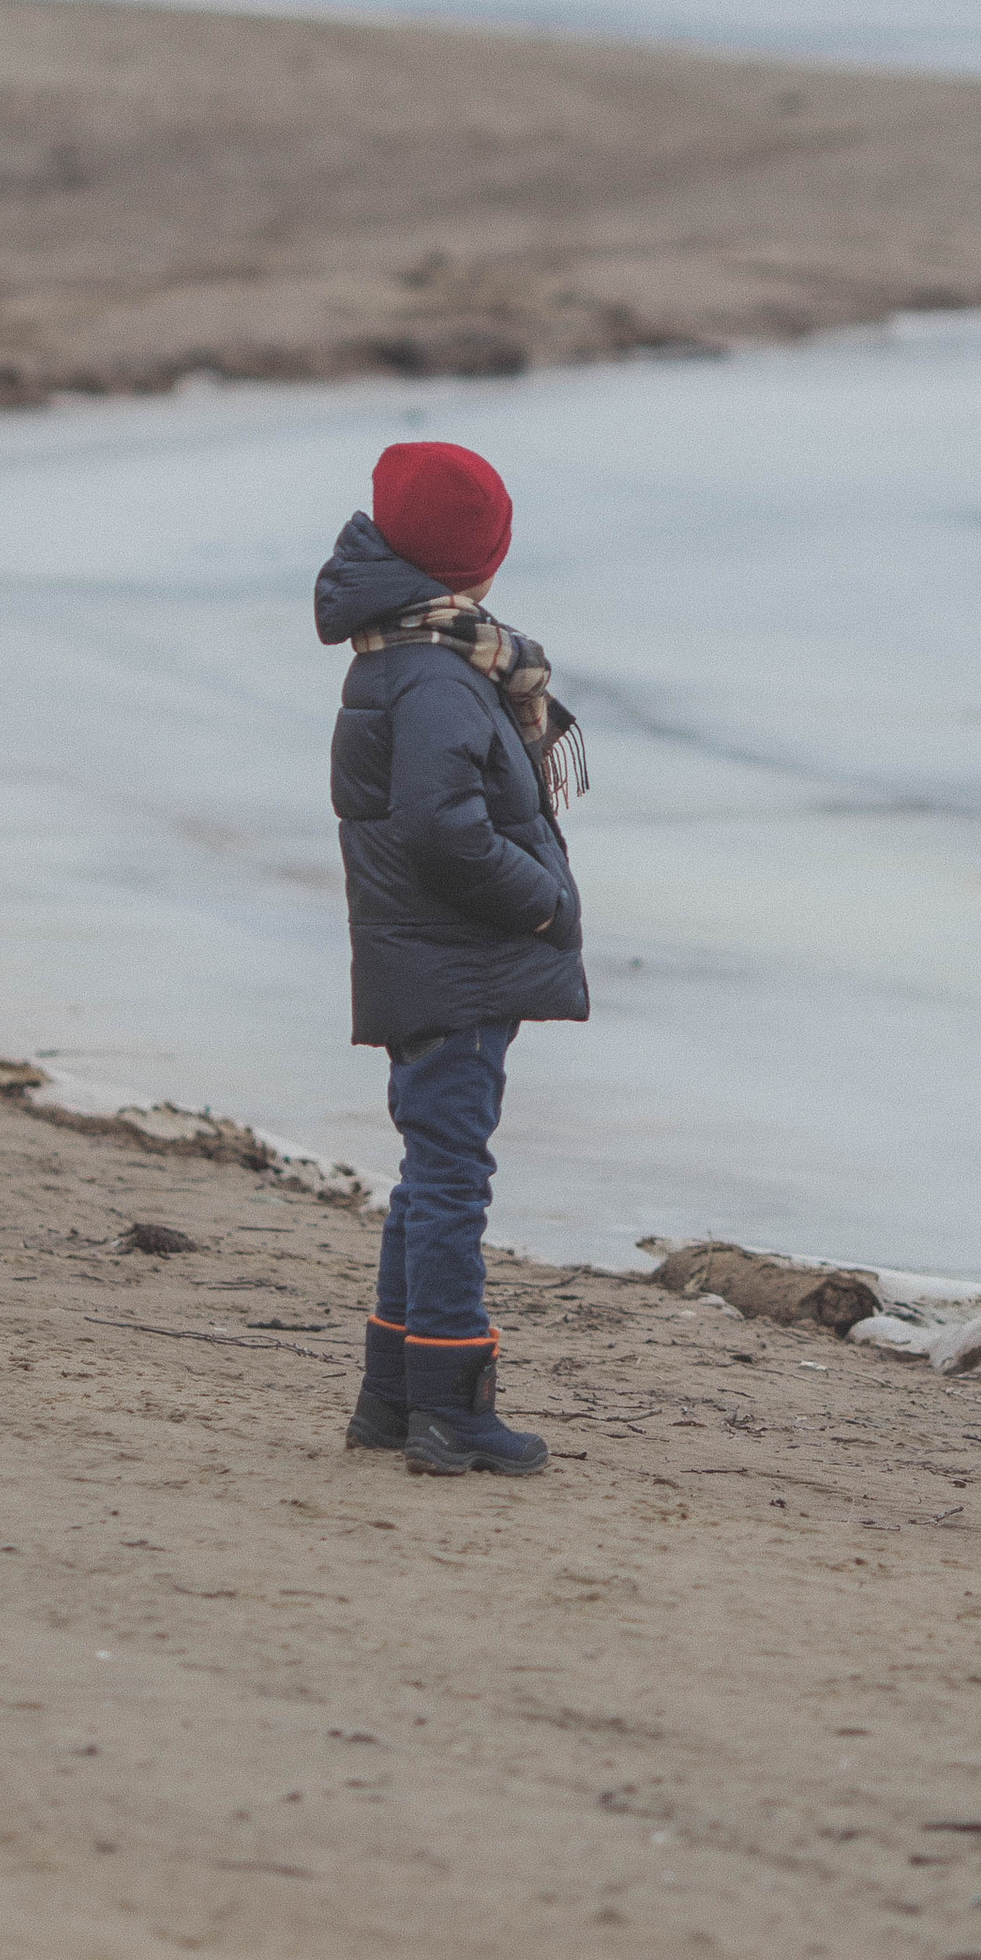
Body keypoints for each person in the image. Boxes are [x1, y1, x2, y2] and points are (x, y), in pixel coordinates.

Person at [314, 439, 587, 1477]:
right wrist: (540, 903)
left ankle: (392, 1399)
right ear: (476, 560)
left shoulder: (414, 658)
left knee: (431, 1173)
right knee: (450, 1180)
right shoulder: (433, 677)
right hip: (452, 960)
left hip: (431, 958)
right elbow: (440, 828)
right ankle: (450, 1405)